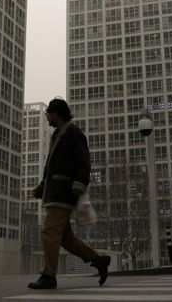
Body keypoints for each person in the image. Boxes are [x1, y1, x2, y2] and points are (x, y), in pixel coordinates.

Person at [28, 97, 111, 290]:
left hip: (64, 194)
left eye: (49, 112)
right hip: (55, 192)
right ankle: (98, 260)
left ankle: (48, 275)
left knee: (48, 230)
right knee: (64, 238)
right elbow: (53, 166)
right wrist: (43, 185)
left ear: (56, 114)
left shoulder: (73, 133)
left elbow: (84, 162)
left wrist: (79, 185)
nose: (47, 115)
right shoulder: (57, 135)